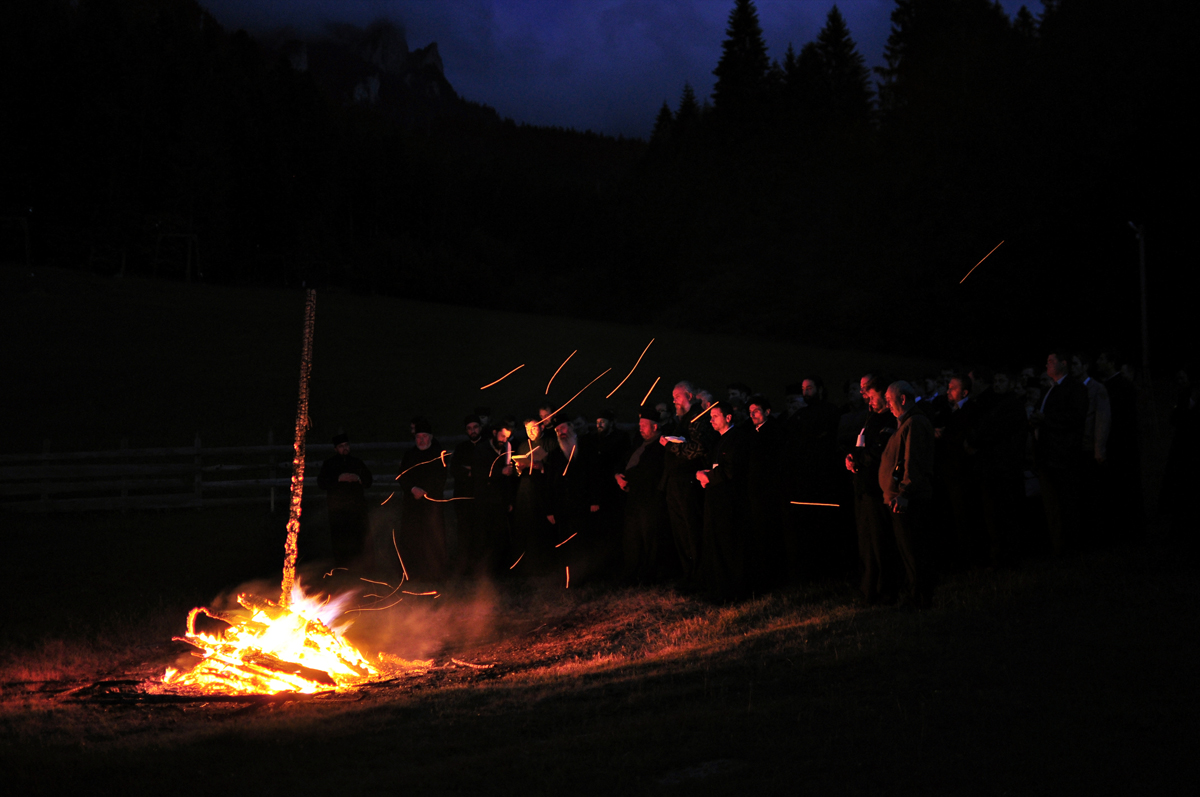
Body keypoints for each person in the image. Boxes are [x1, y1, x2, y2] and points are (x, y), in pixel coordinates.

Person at [879, 381, 936, 608]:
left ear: (903, 399)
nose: (887, 405)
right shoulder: (906, 424)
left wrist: (904, 492)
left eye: (890, 400)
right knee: (908, 550)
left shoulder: (915, 423)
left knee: (914, 550)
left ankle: (919, 596)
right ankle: (914, 593)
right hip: (899, 500)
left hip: (909, 500)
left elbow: (913, 462)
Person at [845, 376, 898, 604]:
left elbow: (879, 450)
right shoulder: (871, 418)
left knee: (879, 541)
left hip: (876, 488)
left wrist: (860, 458)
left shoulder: (890, 419)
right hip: (863, 486)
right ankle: (867, 588)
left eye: (873, 395)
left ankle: (884, 589)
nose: (869, 399)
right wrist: (851, 457)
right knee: (866, 541)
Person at [1031, 350, 1088, 555]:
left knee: (1067, 502)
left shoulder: (1074, 389)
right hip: (1047, 455)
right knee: (1052, 505)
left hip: (1063, 455)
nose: (1047, 365)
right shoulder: (1050, 389)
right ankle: (1058, 546)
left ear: (1064, 364)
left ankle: (1072, 546)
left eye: (1050, 361)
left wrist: (1045, 419)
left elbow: (1075, 417)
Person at [659, 380, 717, 586]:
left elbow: (699, 448)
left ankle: (701, 574)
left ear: (689, 396)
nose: (673, 400)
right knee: (680, 530)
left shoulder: (698, 418)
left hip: (689, 482)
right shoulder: (681, 420)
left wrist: (672, 446)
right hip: (675, 482)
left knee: (692, 529)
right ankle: (688, 574)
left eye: (677, 396)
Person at [696, 401, 750, 601]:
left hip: (729, 500)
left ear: (728, 417)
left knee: (728, 544)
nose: (711, 420)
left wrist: (709, 476)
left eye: (715, 416)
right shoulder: (719, 441)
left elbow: (730, 469)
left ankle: (732, 591)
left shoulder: (736, 438)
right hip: (716, 498)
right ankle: (718, 588)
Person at [617, 408, 669, 583]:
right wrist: (619, 476)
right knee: (632, 536)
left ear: (655, 427)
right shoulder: (639, 442)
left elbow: (650, 471)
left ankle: (650, 575)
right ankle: (631, 572)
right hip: (634, 497)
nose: (641, 429)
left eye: (644, 426)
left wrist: (629, 480)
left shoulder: (660, 445)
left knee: (650, 537)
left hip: (649, 497)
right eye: (639, 425)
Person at [396, 420, 449, 581]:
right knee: (413, 538)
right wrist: (412, 489)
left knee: (433, 538)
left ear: (430, 437)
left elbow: (441, 478)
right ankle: (414, 574)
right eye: (418, 437)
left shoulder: (439, 455)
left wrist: (425, 491)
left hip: (431, 504)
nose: (421, 440)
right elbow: (402, 476)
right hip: (412, 505)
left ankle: (436, 574)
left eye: (424, 436)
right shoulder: (409, 455)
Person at [317, 432, 373, 567]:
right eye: (341, 446)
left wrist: (358, 479)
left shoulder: (357, 463)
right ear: (336, 449)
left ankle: (361, 566)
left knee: (359, 536)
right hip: (338, 508)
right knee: (340, 538)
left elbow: (368, 481)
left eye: (346, 445)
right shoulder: (329, 464)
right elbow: (321, 483)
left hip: (357, 507)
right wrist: (338, 479)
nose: (345, 448)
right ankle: (342, 567)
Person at [451, 414, 484, 574]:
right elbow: (455, 470)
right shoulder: (461, 448)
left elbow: (488, 469)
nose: (473, 431)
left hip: (482, 498)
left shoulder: (486, 445)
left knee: (481, 533)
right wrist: (472, 471)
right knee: (464, 534)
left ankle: (481, 569)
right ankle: (464, 568)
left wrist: (473, 470)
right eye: (469, 428)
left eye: (475, 427)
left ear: (480, 428)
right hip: (463, 499)